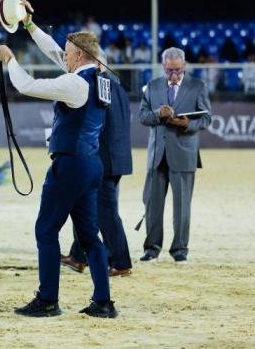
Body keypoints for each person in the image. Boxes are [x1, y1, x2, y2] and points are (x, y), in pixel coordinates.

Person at [0, 0, 117, 319]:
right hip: (91, 164)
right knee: (90, 235)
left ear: (79, 55)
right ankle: (103, 302)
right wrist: (29, 25)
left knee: (46, 230)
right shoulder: (98, 75)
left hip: (70, 166)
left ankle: (48, 299)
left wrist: (10, 60)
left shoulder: (74, 82)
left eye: (67, 51)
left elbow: (27, 85)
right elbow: (52, 50)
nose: (62, 55)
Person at [61, 49, 134, 277]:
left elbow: (97, 123)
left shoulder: (100, 85)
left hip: (103, 158)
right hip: (114, 157)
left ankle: (121, 262)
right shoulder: (116, 86)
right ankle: (78, 256)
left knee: (105, 212)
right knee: (83, 206)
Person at [139, 47, 212, 263]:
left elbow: (207, 119)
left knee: (182, 207)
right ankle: (152, 248)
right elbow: (143, 116)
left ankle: (180, 249)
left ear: (184, 66)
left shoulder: (198, 86)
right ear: (163, 67)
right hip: (156, 156)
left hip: (183, 154)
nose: (174, 75)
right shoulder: (152, 87)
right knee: (152, 205)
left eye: (178, 71)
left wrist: (188, 123)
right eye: (170, 70)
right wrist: (157, 114)